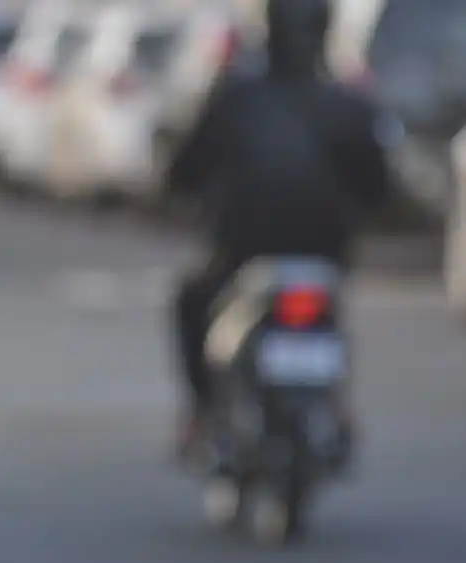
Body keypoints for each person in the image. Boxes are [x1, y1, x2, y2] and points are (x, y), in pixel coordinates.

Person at [164, 0, 391, 455]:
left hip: (243, 251)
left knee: (192, 303)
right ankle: (332, 404)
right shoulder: (346, 103)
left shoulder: (237, 97)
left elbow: (185, 169)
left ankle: (203, 411)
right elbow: (379, 187)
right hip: (323, 253)